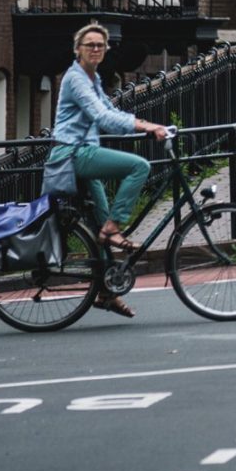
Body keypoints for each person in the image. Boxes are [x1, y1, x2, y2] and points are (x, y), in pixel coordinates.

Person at [46, 23, 171, 319]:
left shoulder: (92, 78)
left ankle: (106, 292)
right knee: (139, 166)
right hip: (73, 153)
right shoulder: (76, 78)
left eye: (100, 45)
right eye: (89, 45)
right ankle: (116, 227)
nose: (95, 50)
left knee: (102, 228)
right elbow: (102, 117)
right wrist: (146, 126)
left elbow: (111, 110)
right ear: (78, 50)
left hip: (82, 151)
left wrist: (144, 123)